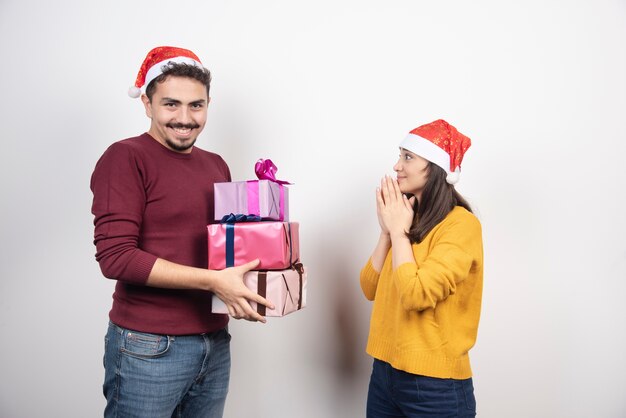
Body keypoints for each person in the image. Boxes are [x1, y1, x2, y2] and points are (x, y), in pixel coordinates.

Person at [90, 46, 273, 418]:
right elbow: (116, 258)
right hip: (149, 345)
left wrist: (268, 265)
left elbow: (223, 247)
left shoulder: (215, 164)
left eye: (196, 105)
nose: (185, 118)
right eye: (171, 104)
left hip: (214, 341)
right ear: (147, 103)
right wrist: (213, 281)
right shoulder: (125, 157)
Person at [360, 119, 483, 418]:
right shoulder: (406, 217)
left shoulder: (461, 225)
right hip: (384, 375)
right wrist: (387, 233)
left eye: (408, 157)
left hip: (435, 388)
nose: (397, 166)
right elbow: (368, 287)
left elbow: (416, 295)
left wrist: (399, 233)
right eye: (400, 155)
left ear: (436, 168)